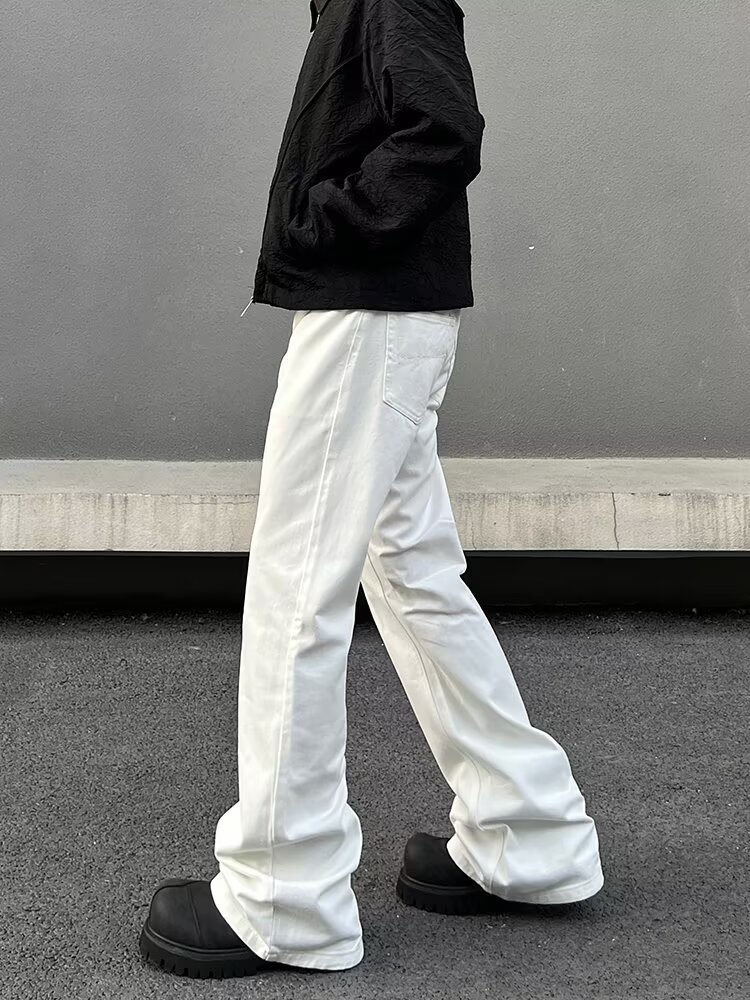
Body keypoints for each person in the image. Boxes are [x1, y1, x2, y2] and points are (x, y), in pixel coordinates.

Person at [139, 0, 604, 978]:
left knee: (296, 588)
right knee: (411, 573)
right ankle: (530, 831)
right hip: (389, 315)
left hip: (368, 314)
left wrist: (328, 222)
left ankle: (285, 894)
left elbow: (444, 127)